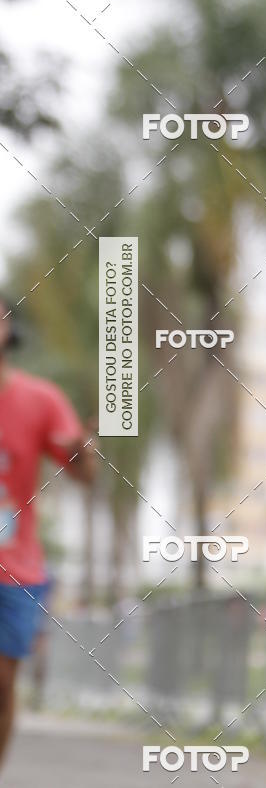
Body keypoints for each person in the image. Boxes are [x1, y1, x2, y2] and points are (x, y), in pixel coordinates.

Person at [0, 294, 98, 768]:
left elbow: (83, 473)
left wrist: (82, 453)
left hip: (14, 566)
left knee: (2, 681)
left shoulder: (41, 399)